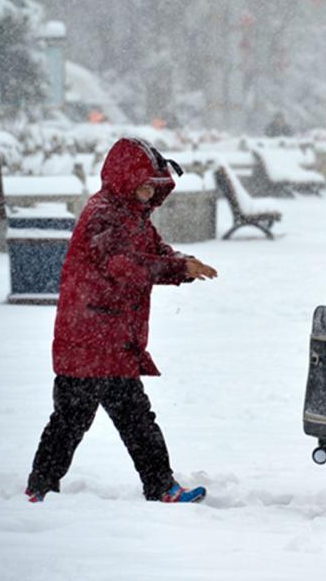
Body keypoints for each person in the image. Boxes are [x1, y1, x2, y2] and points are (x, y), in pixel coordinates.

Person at [25, 138, 218, 504]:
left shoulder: (131, 214)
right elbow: (124, 264)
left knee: (124, 419)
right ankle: (43, 487)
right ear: (123, 180)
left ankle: (157, 486)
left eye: (154, 187)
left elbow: (154, 251)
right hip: (89, 338)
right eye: (144, 185)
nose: (149, 193)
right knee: (76, 419)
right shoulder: (105, 213)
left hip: (110, 340)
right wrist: (177, 268)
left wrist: (182, 262)